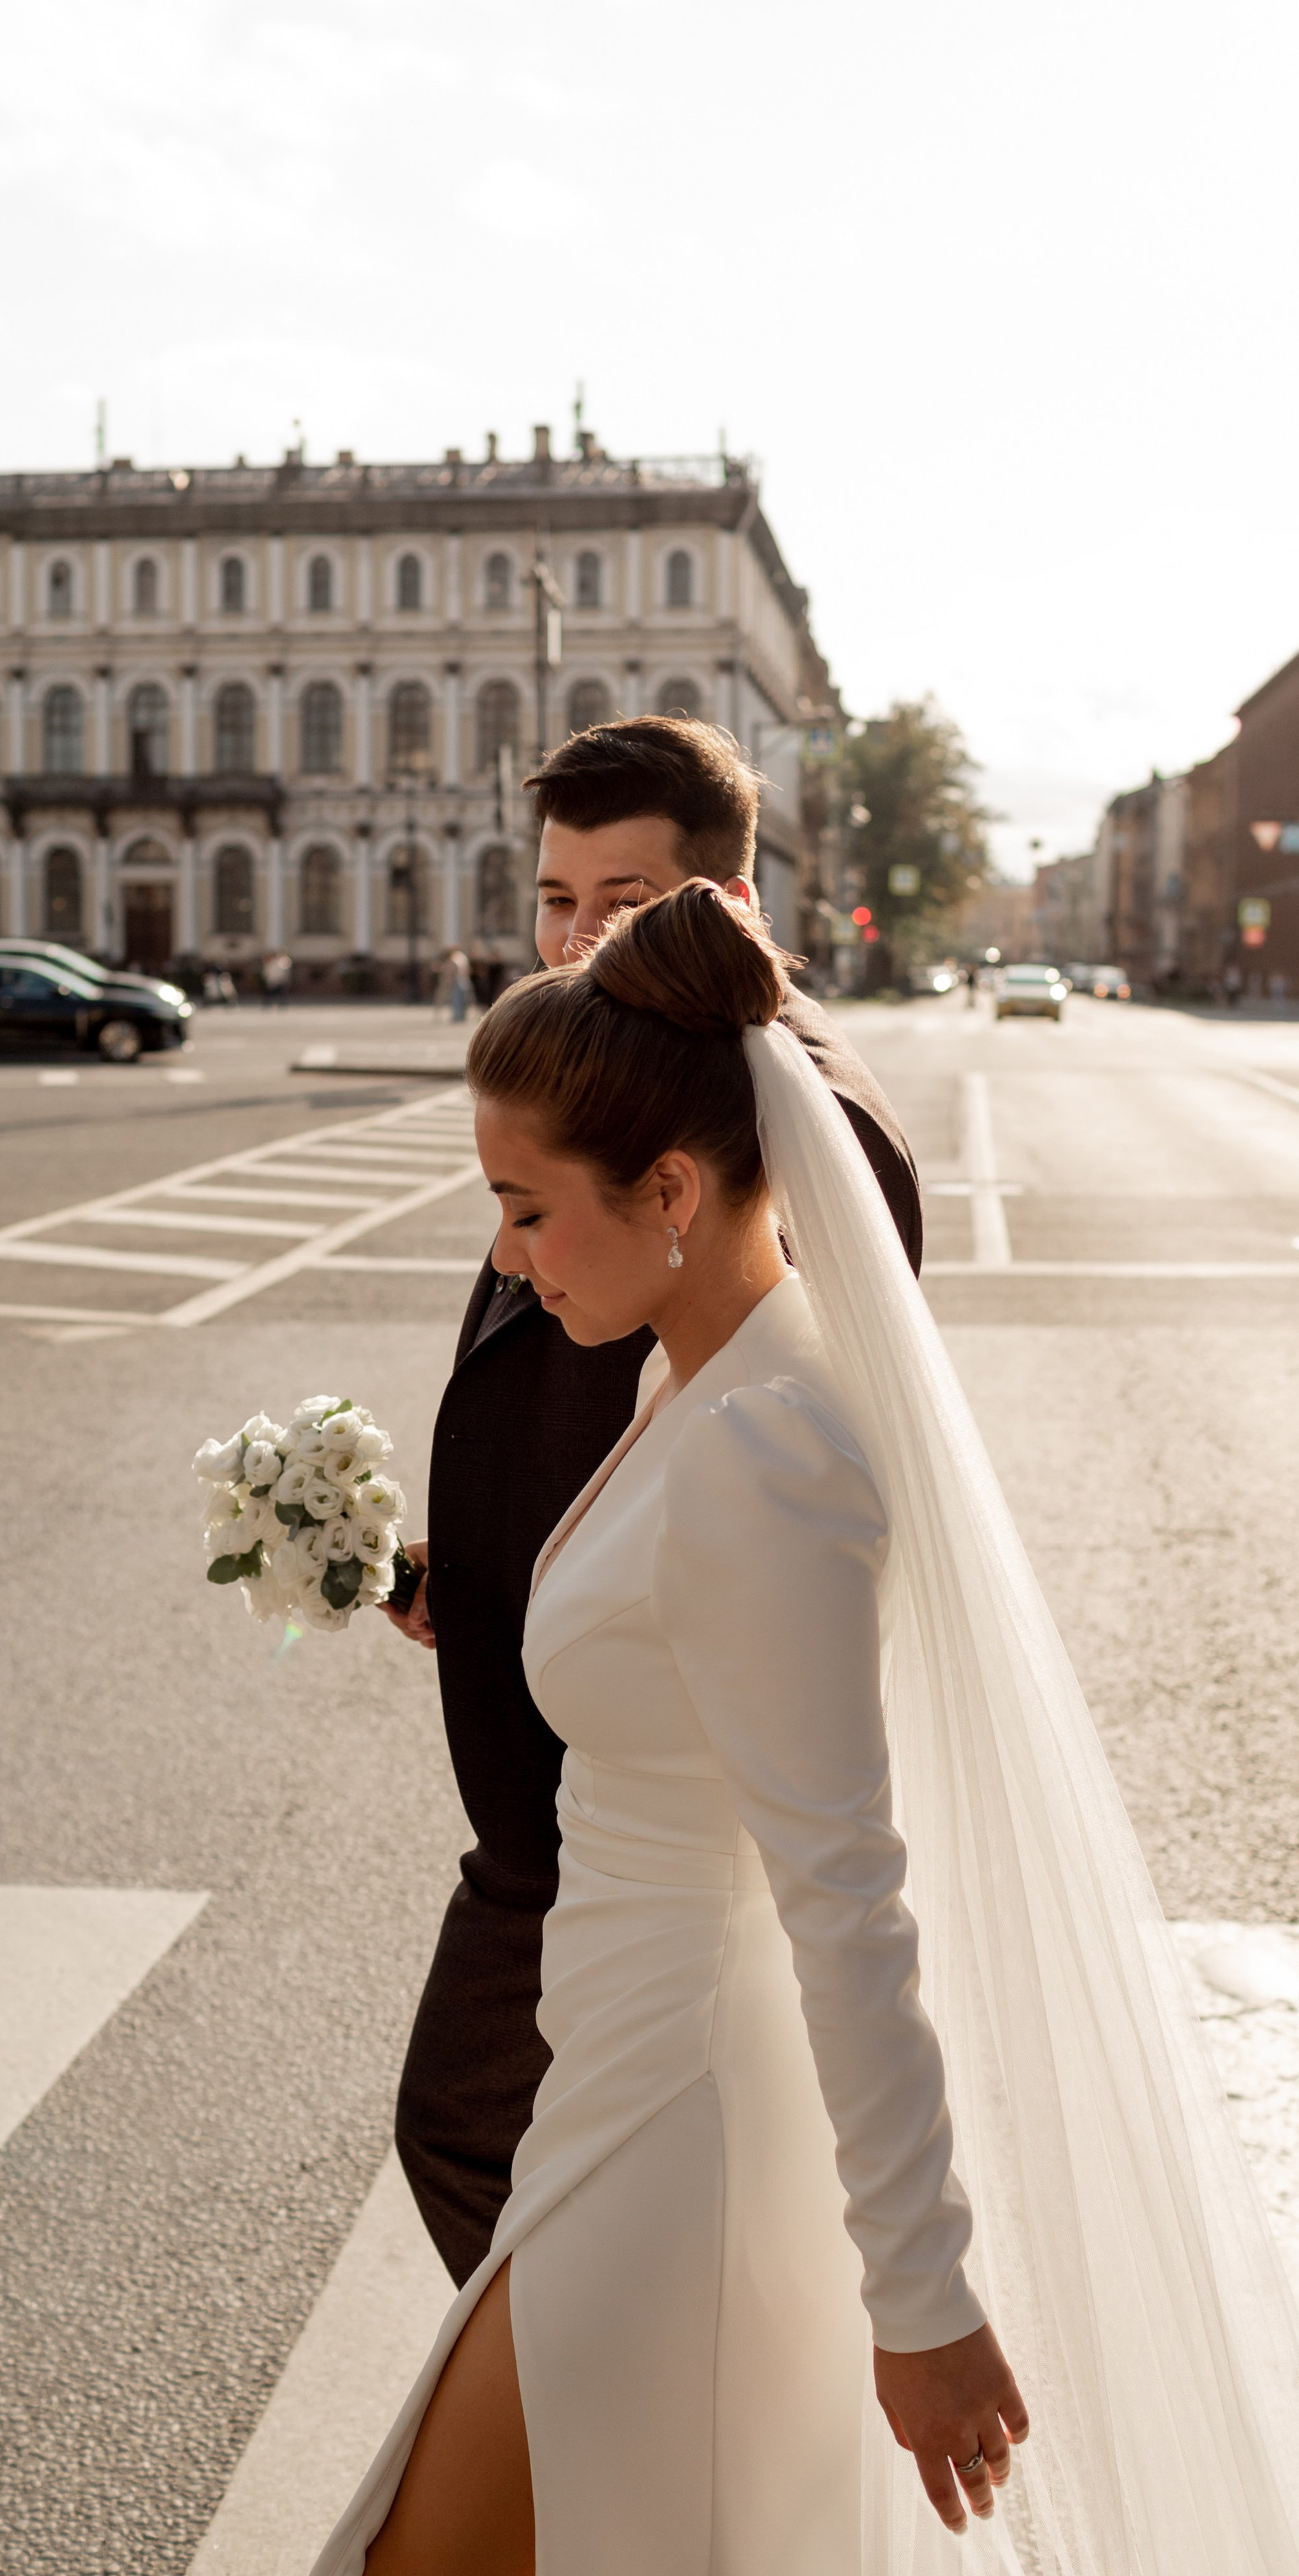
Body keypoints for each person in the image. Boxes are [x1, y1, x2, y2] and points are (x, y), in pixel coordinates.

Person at [280, 887, 1299, 2576]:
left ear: (669, 1190)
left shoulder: (760, 1453)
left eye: (523, 1210)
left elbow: (847, 1899)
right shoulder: (699, 1381)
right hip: (622, 2090)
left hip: (684, 2133)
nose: (505, 1257)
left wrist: (925, 2297)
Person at [386, 717, 922, 2289]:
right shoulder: (614, 1066)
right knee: (544, 2162)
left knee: (481, 2138)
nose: (575, 937)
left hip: (625, 1795)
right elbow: (590, 1418)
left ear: (729, 900)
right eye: (553, 900)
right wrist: (469, 1566)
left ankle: (604, 2403)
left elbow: (762, 1460)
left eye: (619, 899)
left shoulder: (784, 1120)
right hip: (567, 1739)